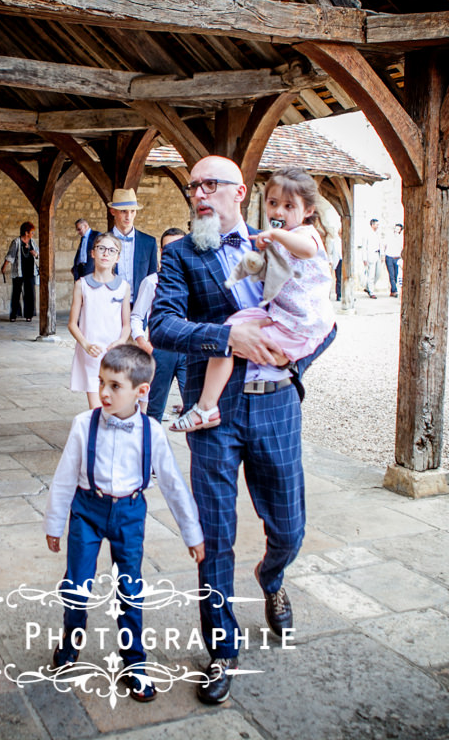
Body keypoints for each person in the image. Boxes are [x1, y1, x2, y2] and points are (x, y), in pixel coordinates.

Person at [149, 155, 310, 705]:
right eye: (192, 186)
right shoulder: (180, 255)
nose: (198, 194)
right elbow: (162, 325)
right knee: (214, 537)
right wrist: (228, 338)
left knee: (289, 525)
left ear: (239, 192)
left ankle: (273, 578)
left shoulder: (285, 239)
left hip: (276, 405)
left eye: (210, 185)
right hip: (213, 413)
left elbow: (322, 318)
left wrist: (294, 364)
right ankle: (223, 647)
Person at [43, 344, 205, 702]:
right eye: (101, 382)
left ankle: (134, 663)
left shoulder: (152, 432)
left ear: (141, 391)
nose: (103, 392)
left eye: (115, 385)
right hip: (87, 510)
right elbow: (65, 476)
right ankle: (70, 645)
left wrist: (192, 533)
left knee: (130, 590)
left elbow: (175, 485)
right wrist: (55, 523)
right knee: (76, 585)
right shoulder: (83, 425)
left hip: (130, 514)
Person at [171, 168, 336, 433]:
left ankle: (206, 406)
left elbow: (306, 251)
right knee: (227, 332)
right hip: (275, 318)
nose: (278, 213)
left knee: (281, 476)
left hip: (293, 336)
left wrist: (288, 361)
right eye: (272, 204)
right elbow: (163, 326)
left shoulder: (304, 235)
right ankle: (206, 406)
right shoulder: (178, 253)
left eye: (288, 206)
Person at [130, 228, 188, 422]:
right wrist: (142, 341)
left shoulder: (195, 281)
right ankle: (149, 449)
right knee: (154, 408)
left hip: (189, 348)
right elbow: (137, 316)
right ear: (162, 252)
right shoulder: (151, 282)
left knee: (194, 405)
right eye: (167, 248)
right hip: (161, 349)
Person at [68, 233, 131, 409]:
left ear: (117, 257)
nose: (106, 254)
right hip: (91, 352)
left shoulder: (124, 287)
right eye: (101, 248)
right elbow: (73, 323)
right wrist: (85, 345)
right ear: (93, 253)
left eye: (111, 250)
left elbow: (126, 324)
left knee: (114, 406)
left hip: (114, 353)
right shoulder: (82, 285)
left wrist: (120, 342)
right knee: (96, 408)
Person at [107, 188, 157, 306]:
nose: (128, 216)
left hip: (140, 306)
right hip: (110, 305)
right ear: (113, 211)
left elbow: (153, 277)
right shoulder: (102, 242)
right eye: (124, 211)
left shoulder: (149, 242)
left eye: (132, 211)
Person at [1, 221, 39, 322]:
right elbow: (10, 255)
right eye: (31, 232)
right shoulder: (16, 242)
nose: (33, 234)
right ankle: (14, 314)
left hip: (31, 272)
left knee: (30, 294)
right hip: (19, 272)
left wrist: (35, 254)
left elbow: (38, 255)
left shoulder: (32, 242)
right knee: (16, 293)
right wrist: (4, 267)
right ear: (26, 232)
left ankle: (29, 315)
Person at [362, 218, 382, 298]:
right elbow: (364, 247)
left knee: (378, 273)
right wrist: (364, 258)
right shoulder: (367, 234)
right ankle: (371, 291)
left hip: (377, 254)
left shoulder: (377, 234)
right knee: (371, 274)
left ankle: (368, 287)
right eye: (376, 224)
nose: (378, 226)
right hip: (370, 255)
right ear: (372, 225)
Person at [385, 223, 403, 298]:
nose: (396, 230)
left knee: (396, 274)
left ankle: (392, 290)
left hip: (397, 257)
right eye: (396, 228)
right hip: (389, 257)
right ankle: (395, 290)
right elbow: (384, 245)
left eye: (398, 229)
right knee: (391, 274)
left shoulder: (401, 238)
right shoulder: (389, 236)